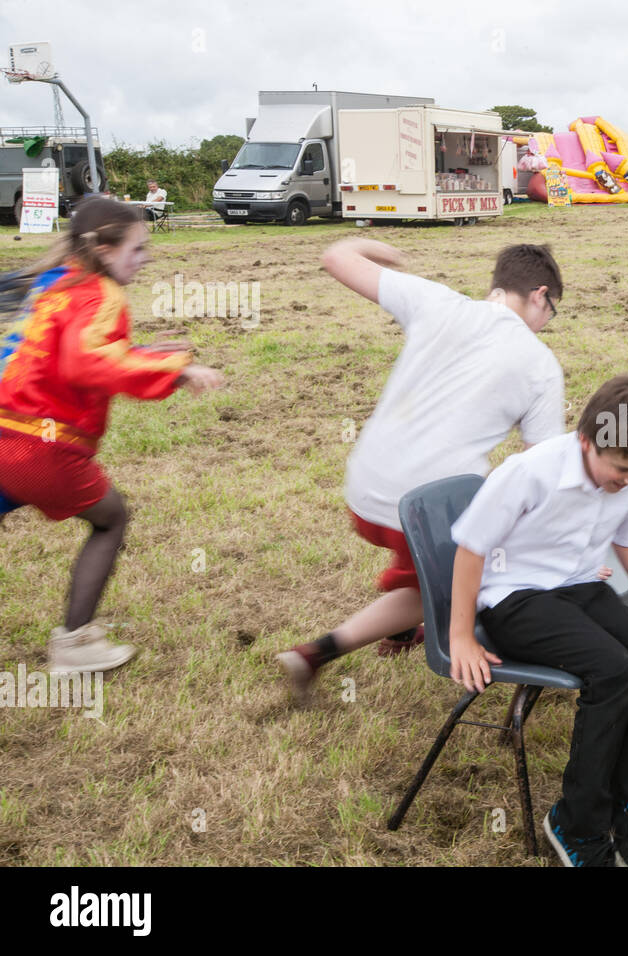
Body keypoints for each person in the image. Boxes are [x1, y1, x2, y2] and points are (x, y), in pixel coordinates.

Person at [275, 240, 566, 701]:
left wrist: (368, 246)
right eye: (551, 311)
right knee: (467, 576)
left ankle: (399, 628)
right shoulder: (542, 367)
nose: (547, 323)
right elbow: (541, 469)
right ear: (539, 294)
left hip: (364, 490)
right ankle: (315, 653)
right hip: (426, 512)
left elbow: (333, 257)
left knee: (425, 563)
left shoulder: (436, 300)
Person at [449, 375, 628, 867]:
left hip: (578, 586)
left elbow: (627, 536)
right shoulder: (529, 472)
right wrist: (458, 636)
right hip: (514, 598)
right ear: (586, 441)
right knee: (613, 670)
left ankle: (626, 794)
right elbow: (471, 548)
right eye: (622, 469)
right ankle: (576, 824)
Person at [0, 198, 224, 672]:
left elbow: (75, 348)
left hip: (6, 429)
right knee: (111, 518)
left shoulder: (54, 281)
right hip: (42, 444)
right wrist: (174, 369)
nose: (144, 260)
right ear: (103, 249)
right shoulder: (102, 293)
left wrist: (142, 352)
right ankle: (75, 643)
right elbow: (87, 362)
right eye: (137, 249)